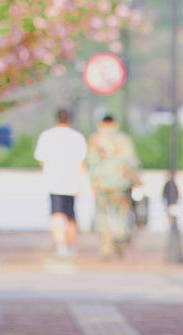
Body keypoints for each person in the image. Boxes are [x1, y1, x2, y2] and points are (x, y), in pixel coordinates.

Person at [34, 108, 87, 260]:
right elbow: (82, 162)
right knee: (70, 216)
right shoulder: (77, 137)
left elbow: (41, 159)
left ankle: (61, 246)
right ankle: (69, 246)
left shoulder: (47, 136)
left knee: (57, 215)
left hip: (54, 182)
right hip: (72, 181)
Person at [87, 114, 141, 260]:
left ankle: (106, 246)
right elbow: (131, 162)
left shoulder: (95, 140)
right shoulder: (123, 140)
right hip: (120, 183)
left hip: (101, 184)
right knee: (121, 214)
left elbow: (91, 163)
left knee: (102, 215)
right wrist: (137, 180)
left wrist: (93, 182)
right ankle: (118, 235)